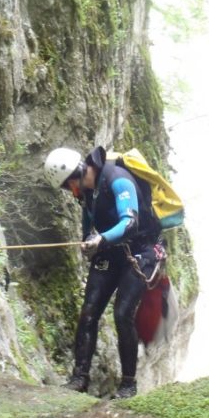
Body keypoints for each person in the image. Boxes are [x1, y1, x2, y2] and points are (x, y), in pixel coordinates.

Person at [44, 146, 164, 399]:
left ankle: (128, 384)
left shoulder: (117, 179)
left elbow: (130, 222)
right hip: (109, 252)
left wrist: (100, 240)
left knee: (122, 314)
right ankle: (79, 378)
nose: (70, 191)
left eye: (68, 186)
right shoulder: (88, 191)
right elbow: (89, 222)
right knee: (89, 311)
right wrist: (88, 240)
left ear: (76, 174)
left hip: (140, 251)